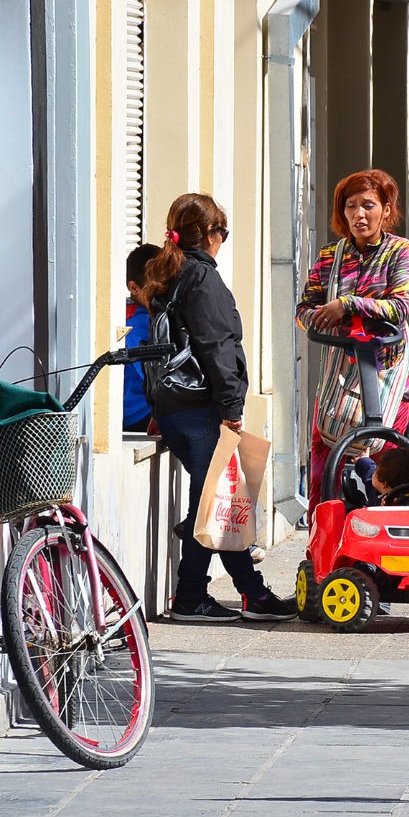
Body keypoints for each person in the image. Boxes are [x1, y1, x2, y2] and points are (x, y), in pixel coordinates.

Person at [143, 193, 295, 622]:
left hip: (177, 408)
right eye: (222, 233)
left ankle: (247, 593)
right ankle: (195, 598)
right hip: (200, 408)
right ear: (209, 234)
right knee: (216, 504)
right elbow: (215, 347)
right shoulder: (201, 279)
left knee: (219, 502)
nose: (223, 240)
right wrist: (231, 406)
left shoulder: (166, 274)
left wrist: (160, 404)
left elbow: (158, 350)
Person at [296, 169, 409, 512]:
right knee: (324, 463)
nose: (359, 214)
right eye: (351, 205)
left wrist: (345, 306)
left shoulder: (400, 252)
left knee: (387, 468)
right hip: (337, 379)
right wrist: (319, 317)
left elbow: (399, 307)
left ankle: (386, 537)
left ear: (387, 210)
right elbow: (305, 308)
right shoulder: (328, 256)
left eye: (368, 205)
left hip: (389, 376)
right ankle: (321, 540)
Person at [123, 243, 158, 433]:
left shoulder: (135, 313)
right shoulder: (138, 325)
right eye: (154, 289)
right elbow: (151, 374)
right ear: (134, 287)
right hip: (137, 415)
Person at [344, 447, 409, 509]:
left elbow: (370, 473)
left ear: (384, 483)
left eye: (377, 470)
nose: (374, 471)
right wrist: (363, 460)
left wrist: (388, 509)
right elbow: (369, 470)